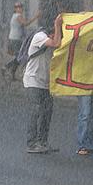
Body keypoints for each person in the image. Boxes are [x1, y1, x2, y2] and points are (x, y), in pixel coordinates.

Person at [23, 13, 63, 154]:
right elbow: (56, 43)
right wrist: (58, 24)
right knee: (36, 111)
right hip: (33, 80)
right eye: (54, 34)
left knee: (47, 112)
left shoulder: (50, 37)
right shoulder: (39, 37)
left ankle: (43, 141)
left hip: (45, 82)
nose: (56, 36)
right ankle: (31, 143)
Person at [2, 2, 39, 80]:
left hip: (15, 38)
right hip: (15, 39)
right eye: (18, 7)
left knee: (19, 57)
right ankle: (7, 67)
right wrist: (35, 17)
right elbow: (25, 23)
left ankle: (11, 72)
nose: (20, 8)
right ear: (15, 9)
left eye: (21, 7)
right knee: (19, 57)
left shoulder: (15, 16)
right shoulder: (18, 16)